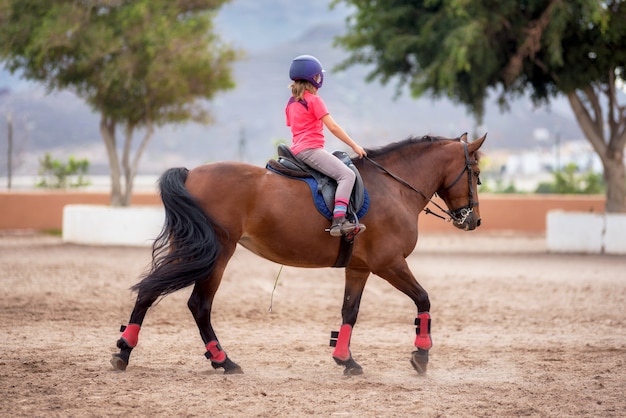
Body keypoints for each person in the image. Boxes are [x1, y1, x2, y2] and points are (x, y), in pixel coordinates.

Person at [285, 54, 367, 237]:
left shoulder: (291, 103)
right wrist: (354, 146)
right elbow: (333, 127)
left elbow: (294, 126)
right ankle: (339, 220)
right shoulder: (314, 100)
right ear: (314, 78)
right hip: (311, 150)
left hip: (296, 150)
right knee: (346, 175)